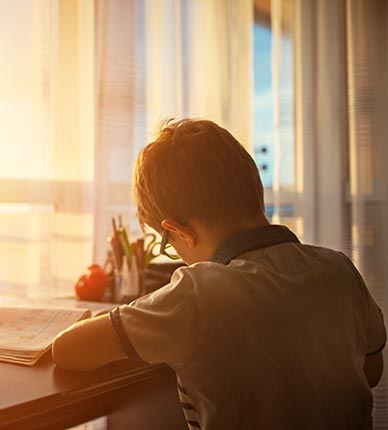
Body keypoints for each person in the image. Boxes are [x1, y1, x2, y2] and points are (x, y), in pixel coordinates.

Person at [51, 118, 385, 429]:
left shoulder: (196, 295)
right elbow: (370, 370)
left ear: (180, 232)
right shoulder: (338, 268)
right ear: (255, 191)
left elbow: (67, 350)